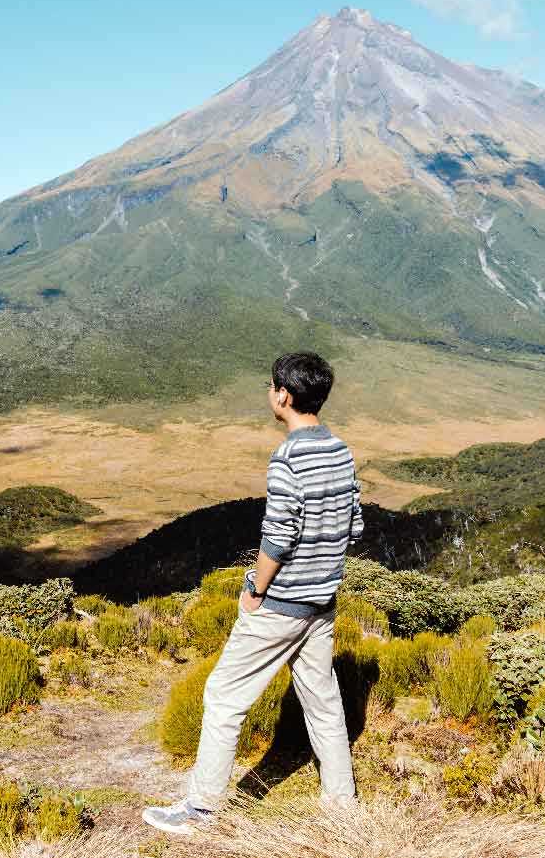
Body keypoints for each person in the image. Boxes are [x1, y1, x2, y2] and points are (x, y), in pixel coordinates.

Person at [142, 351, 363, 836]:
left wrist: (253, 589)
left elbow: (279, 537)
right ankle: (342, 805)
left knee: (223, 696)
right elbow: (355, 526)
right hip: (322, 602)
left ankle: (200, 810)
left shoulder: (288, 458)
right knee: (323, 699)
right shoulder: (341, 451)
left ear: (283, 396)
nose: (270, 393)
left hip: (281, 604)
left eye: (271, 386)